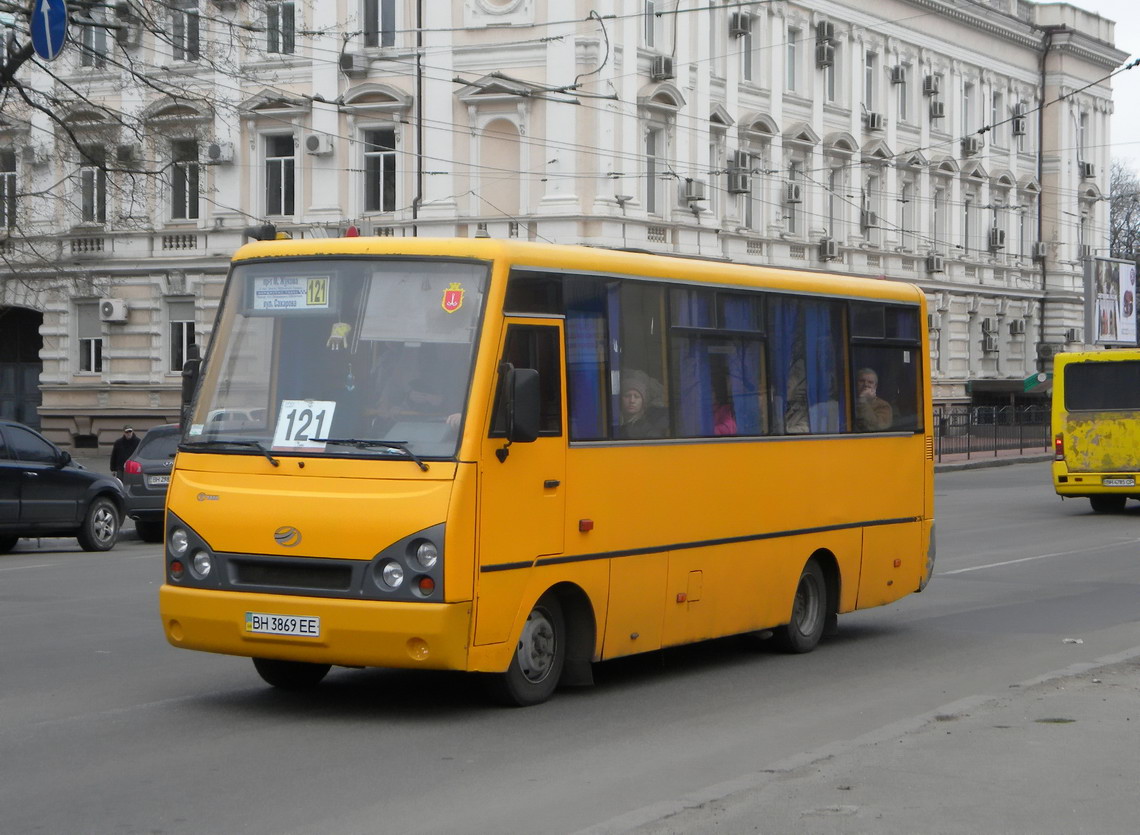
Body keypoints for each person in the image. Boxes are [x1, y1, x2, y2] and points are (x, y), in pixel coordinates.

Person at [617, 370, 662, 439]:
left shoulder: (649, 431)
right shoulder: (614, 424)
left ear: (643, 402)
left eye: (636, 396)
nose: (632, 401)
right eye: (627, 396)